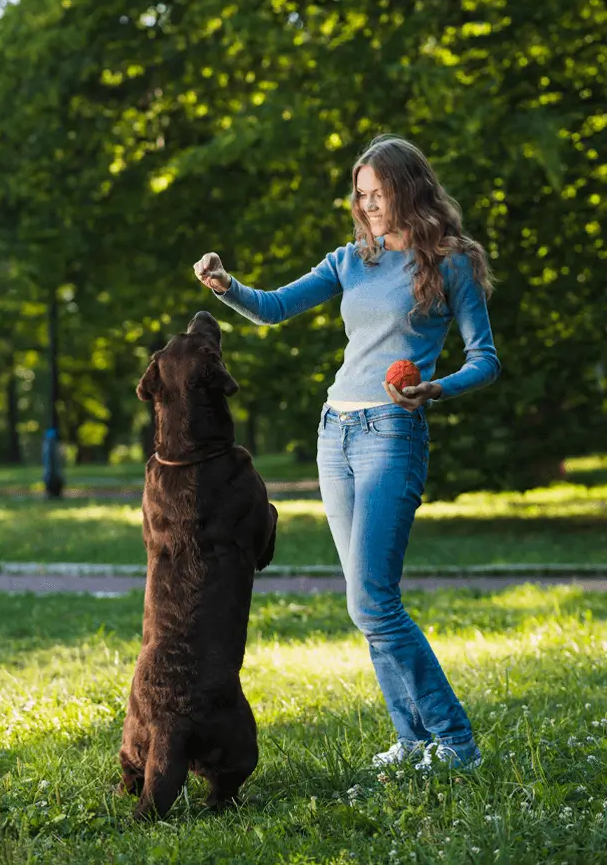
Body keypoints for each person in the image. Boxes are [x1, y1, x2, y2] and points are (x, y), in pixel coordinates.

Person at [193, 133, 501, 772]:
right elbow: (275, 308)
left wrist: (433, 387)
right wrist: (228, 286)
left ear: (408, 189)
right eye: (360, 196)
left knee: (373, 602)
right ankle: (414, 742)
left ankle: (457, 744)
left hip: (394, 430)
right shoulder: (348, 260)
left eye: (377, 194)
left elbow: (485, 360)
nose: (367, 206)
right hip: (335, 433)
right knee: (367, 602)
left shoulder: (451, 262)